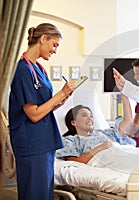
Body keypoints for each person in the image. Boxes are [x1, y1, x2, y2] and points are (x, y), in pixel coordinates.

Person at [8, 23, 76, 200]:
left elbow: (44, 107)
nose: (55, 50)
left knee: (44, 195)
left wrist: (62, 100)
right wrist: (62, 92)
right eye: (54, 45)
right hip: (32, 142)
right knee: (34, 195)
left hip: (44, 142)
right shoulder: (22, 70)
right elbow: (34, 114)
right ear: (43, 38)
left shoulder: (39, 69)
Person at [56, 105, 139, 172]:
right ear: (73, 122)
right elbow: (74, 163)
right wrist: (100, 147)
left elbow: (127, 121)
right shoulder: (71, 140)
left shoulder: (103, 133)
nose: (90, 118)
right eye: (84, 115)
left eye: (91, 116)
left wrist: (124, 91)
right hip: (106, 158)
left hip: (121, 151)